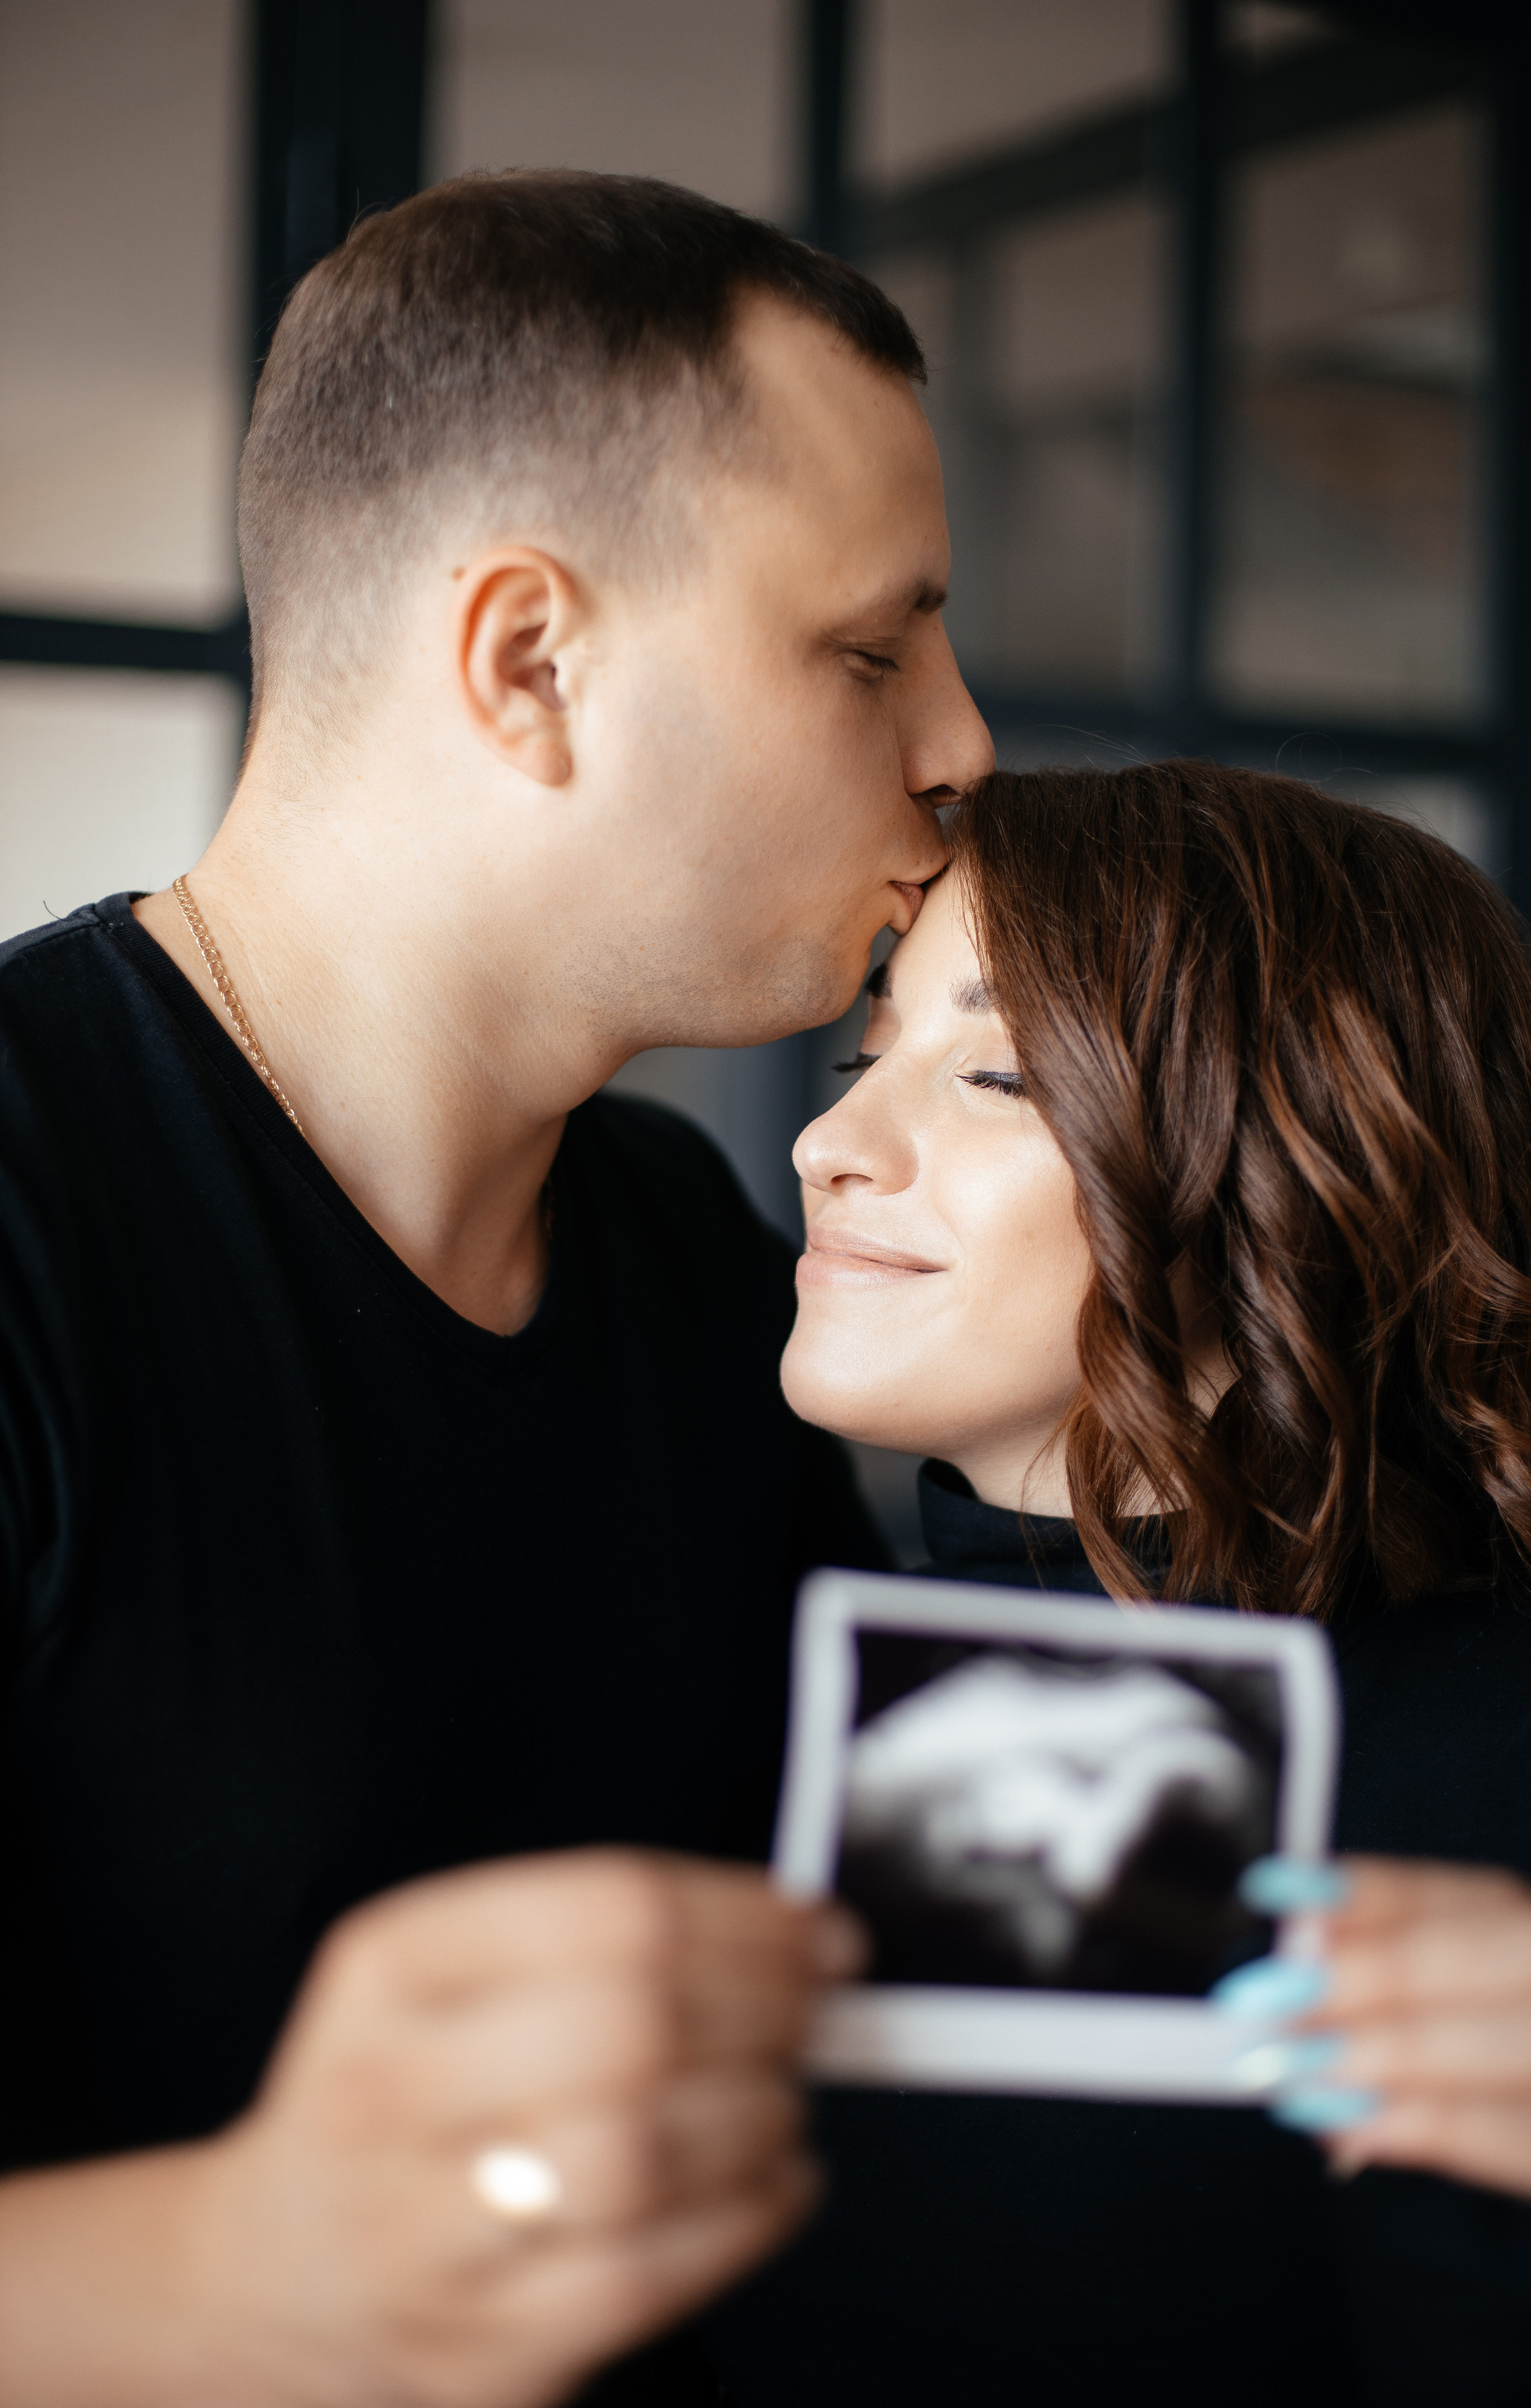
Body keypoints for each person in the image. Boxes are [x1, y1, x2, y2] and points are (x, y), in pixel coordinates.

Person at [0, 172, 992, 2405]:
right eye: (869, 649)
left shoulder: (694, 1255)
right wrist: (232, 2265)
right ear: (529, 663)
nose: (962, 745)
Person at [707, 762, 1531, 2407]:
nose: (832, 1141)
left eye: (989, 1071)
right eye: (867, 1051)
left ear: (1296, 1166)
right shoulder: (723, 1683)